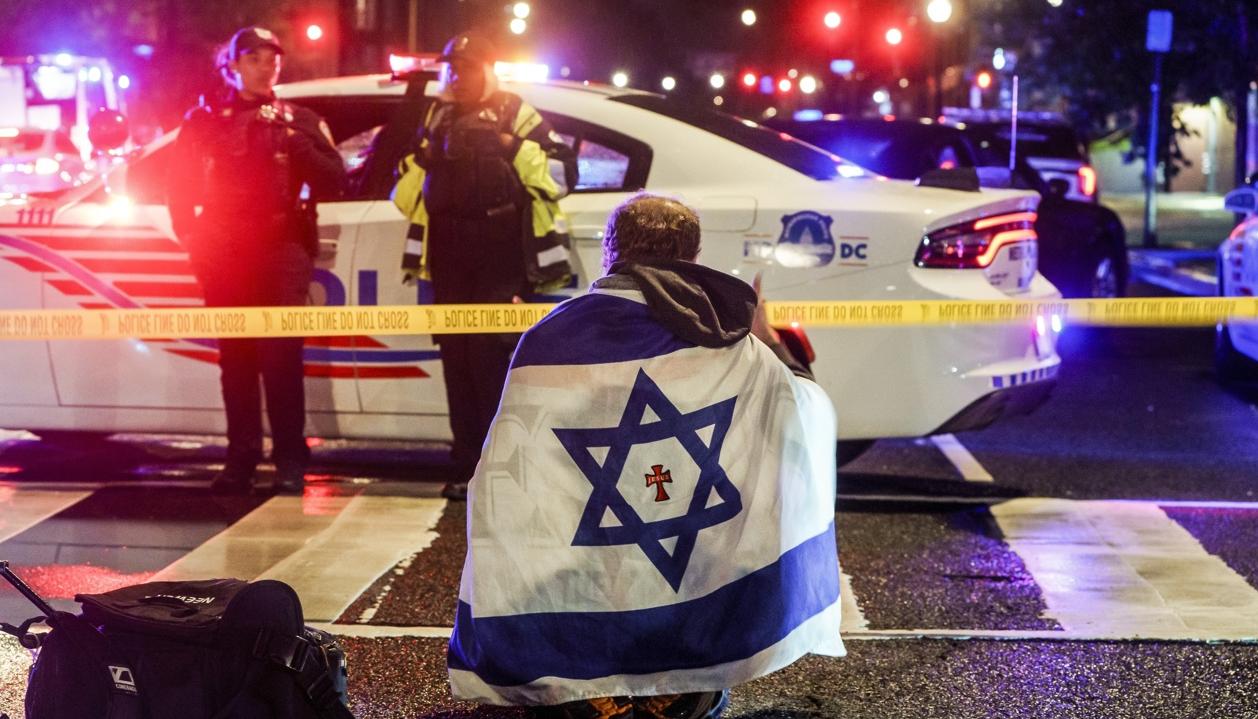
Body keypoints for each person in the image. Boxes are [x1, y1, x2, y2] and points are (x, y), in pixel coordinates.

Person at [447, 194, 844, 719]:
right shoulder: (726, 338)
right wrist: (771, 340)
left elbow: (510, 469)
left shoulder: (552, 336)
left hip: (587, 549)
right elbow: (801, 414)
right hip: (685, 537)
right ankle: (677, 686)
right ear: (693, 255)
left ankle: (590, 686)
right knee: (701, 549)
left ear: (611, 251)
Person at [393, 32, 576, 501]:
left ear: (488, 70)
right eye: (452, 67)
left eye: (468, 67)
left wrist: (510, 145)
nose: (457, 76)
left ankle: (500, 472)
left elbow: (563, 176)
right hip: (448, 259)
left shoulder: (517, 112)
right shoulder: (437, 114)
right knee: (456, 363)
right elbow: (405, 187)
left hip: (499, 258)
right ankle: (465, 468)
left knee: (490, 363)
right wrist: (425, 156)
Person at [167, 27, 347, 494]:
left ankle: (289, 459)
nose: (266, 66)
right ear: (233, 64)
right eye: (254, 58)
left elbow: (336, 178)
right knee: (237, 359)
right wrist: (192, 235)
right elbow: (179, 185)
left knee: (282, 356)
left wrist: (296, 141)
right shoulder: (205, 120)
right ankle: (240, 458)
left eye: (272, 58)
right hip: (225, 251)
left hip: (282, 245)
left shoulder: (298, 118)